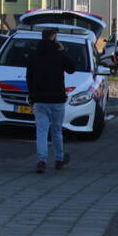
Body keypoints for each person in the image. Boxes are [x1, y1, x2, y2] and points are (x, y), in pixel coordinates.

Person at [26, 27, 75, 173]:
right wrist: (63, 50)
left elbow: (29, 77)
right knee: (56, 130)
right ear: (54, 37)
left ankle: (41, 160)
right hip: (57, 98)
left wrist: (32, 94)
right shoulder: (59, 54)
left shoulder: (34, 55)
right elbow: (71, 68)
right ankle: (59, 158)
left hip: (39, 99)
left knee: (41, 131)